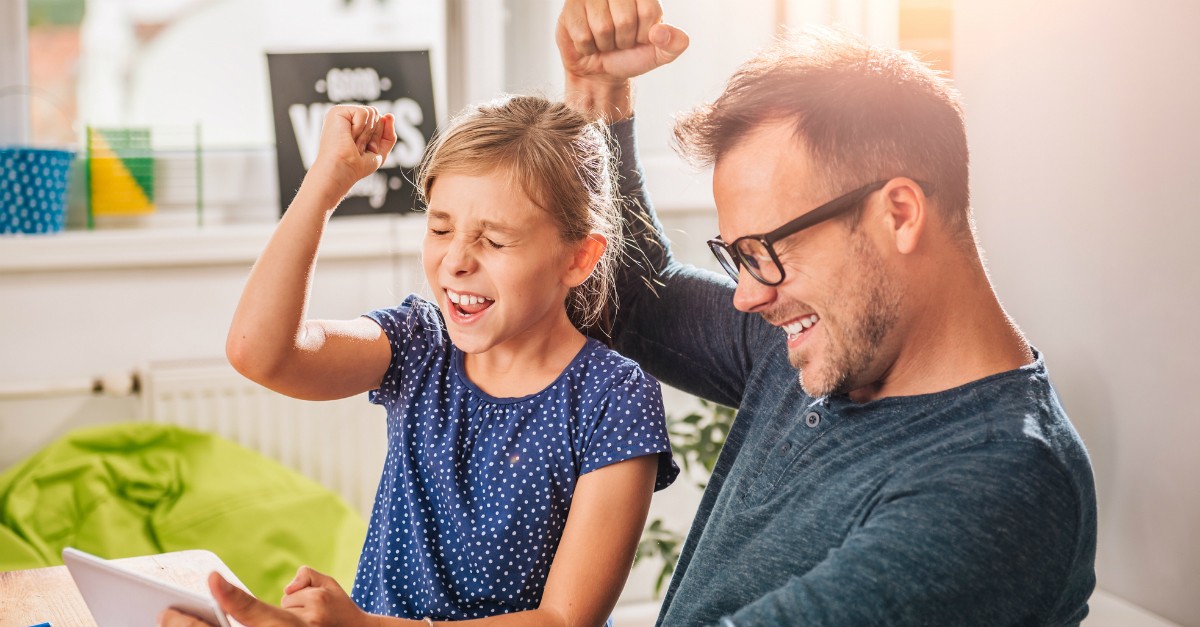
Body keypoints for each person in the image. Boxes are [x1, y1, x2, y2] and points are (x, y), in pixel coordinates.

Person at [554, 1, 1098, 626]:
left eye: (765, 250)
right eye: (737, 257)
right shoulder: (826, 342)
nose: (748, 294)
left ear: (898, 213)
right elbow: (626, 297)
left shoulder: (1000, 481)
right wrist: (597, 91)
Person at [162, 97, 677, 627]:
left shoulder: (614, 396)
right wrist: (325, 184)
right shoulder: (420, 342)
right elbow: (261, 352)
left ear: (579, 258)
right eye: (439, 229)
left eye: (495, 240)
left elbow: (564, 621)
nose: (456, 260)